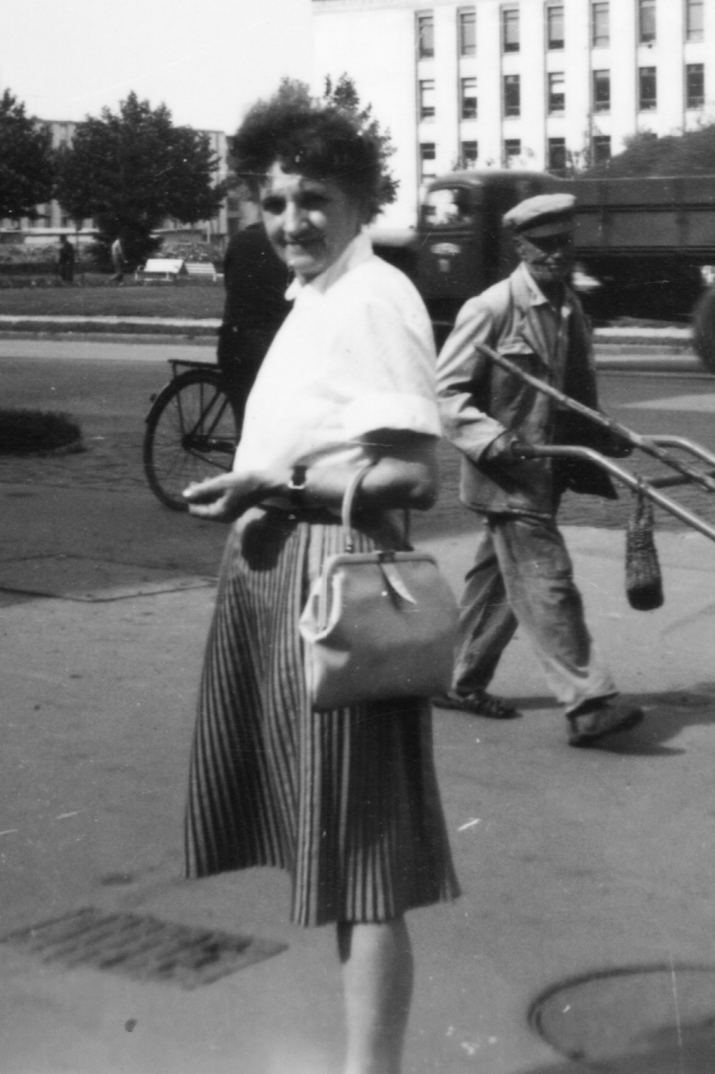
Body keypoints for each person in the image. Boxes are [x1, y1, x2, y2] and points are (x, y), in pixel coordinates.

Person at [181, 94, 457, 1074]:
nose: (292, 219)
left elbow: (420, 475)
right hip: (291, 579)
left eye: (315, 198)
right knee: (342, 855)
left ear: (363, 199)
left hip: (336, 588)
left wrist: (275, 484)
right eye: (274, 200)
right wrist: (265, 491)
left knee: (364, 861)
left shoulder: (374, 296)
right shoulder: (318, 297)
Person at [435, 192, 645, 747]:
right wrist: (494, 439)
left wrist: (605, 435)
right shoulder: (492, 308)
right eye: (544, 247)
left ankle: (457, 678)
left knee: (503, 582)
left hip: (546, 470)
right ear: (521, 248)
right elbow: (447, 397)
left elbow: (573, 392)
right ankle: (588, 702)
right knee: (547, 580)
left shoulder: (569, 307)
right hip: (506, 474)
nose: (557, 257)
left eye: (564, 245)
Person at [216, 218, 291, 426]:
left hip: (232, 340)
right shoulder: (288, 244)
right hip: (267, 343)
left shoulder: (239, 239)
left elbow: (229, 281)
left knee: (246, 419)